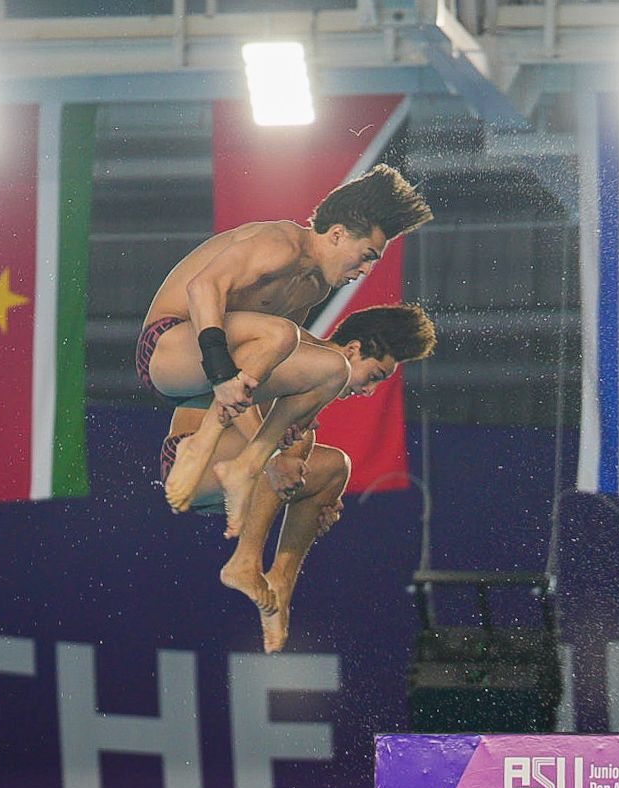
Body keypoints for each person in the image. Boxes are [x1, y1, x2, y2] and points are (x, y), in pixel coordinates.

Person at [135, 164, 433, 550]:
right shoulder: (280, 243)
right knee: (281, 335)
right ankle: (204, 445)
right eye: (365, 256)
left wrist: (287, 442)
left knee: (333, 369)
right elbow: (203, 287)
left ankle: (247, 467)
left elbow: (268, 363)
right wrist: (222, 376)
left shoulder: (313, 288)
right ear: (338, 234)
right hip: (166, 350)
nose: (364, 271)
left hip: (204, 386)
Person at [158, 304, 437, 652]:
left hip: (227, 483)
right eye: (375, 376)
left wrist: (317, 500)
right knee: (294, 447)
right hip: (189, 458)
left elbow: (286, 453)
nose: (369, 391)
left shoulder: (320, 380)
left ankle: (281, 582)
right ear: (353, 349)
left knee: (335, 468)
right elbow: (230, 388)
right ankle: (244, 561)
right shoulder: (299, 350)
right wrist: (275, 458)